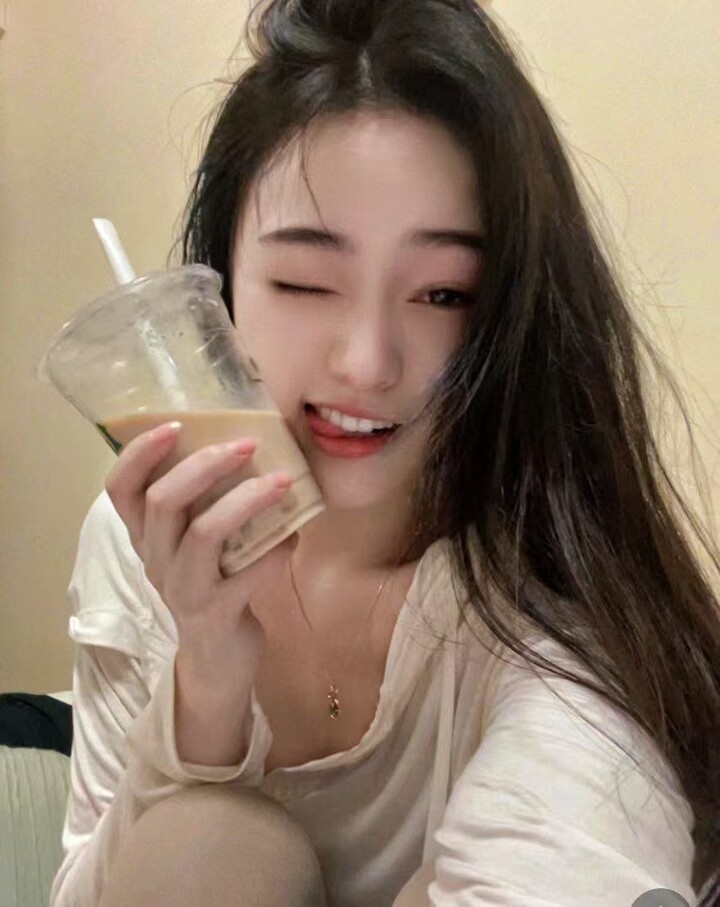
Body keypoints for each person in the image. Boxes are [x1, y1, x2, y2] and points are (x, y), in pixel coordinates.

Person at [49, 1, 720, 904]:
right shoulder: (147, 542)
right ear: (221, 287)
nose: (367, 362)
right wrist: (205, 681)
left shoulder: (548, 604)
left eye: (443, 293)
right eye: (304, 281)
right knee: (210, 842)